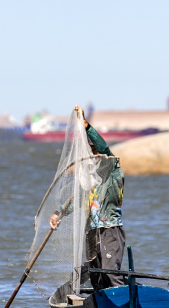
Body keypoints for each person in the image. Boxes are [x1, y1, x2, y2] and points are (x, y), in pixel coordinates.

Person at [50, 105, 126, 290]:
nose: (92, 155)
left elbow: (103, 148)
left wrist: (85, 126)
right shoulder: (90, 178)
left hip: (109, 229)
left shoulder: (112, 169)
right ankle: (99, 304)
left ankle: (121, 301)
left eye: (94, 151)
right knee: (96, 278)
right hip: (91, 232)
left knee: (110, 273)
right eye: (90, 152)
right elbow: (76, 200)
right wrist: (58, 214)